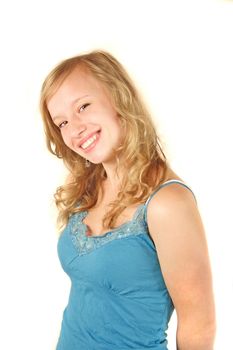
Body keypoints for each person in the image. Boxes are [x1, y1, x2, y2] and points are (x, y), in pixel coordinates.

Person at [40, 50, 216, 350]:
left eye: (83, 106)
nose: (74, 129)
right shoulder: (90, 185)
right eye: (62, 123)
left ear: (118, 97)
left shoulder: (168, 203)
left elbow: (199, 326)